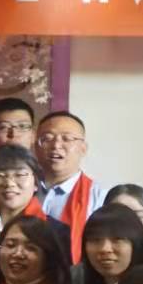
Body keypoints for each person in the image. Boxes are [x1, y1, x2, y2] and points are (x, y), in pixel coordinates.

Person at [0, 145, 69, 284]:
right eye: (0, 175)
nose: (9, 183)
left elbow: (61, 283)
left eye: (20, 175)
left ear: (36, 183)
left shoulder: (56, 231)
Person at [37, 111, 108, 266]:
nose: (56, 145)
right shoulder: (20, 189)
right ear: (36, 147)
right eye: (47, 138)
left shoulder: (100, 197)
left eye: (67, 139)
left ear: (83, 149)